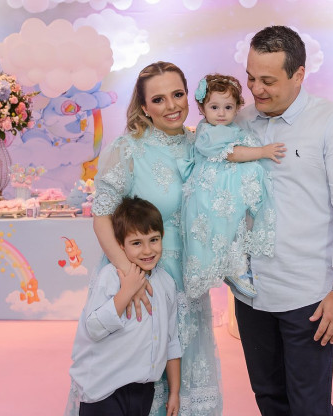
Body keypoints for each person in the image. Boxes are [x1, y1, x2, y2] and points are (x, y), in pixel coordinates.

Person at [233, 26, 333, 416]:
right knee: (268, 398)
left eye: (268, 81)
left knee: (309, 405)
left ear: (298, 75)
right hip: (250, 293)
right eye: (251, 78)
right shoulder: (239, 122)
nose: (256, 89)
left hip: (308, 297)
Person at [90, 62, 222, 416]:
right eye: (158, 99)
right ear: (144, 107)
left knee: (184, 365)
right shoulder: (128, 149)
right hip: (140, 274)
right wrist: (128, 277)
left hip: (188, 278)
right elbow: (101, 217)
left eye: (177, 94)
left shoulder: (201, 144)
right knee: (139, 373)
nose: (171, 106)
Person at [68, 196, 181, 416]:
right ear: (121, 245)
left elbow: (171, 340)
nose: (147, 250)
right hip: (104, 390)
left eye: (154, 240)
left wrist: (174, 391)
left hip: (142, 391)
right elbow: (94, 328)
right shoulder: (110, 277)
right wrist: (127, 291)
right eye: (136, 243)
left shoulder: (166, 283)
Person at [180, 74, 285, 299]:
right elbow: (232, 153)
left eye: (228, 107)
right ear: (202, 108)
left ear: (237, 107)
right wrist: (262, 152)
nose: (221, 113)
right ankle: (235, 267)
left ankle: (236, 264)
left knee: (235, 224)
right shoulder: (209, 132)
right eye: (214, 107)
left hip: (223, 184)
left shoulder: (228, 128)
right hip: (212, 188)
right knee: (226, 224)